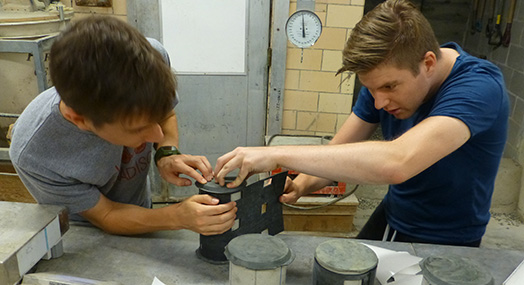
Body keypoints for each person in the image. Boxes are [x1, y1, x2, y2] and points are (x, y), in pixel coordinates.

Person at [214, 0, 509, 247]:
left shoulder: (478, 88)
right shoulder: (381, 85)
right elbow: (339, 151)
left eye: (390, 88)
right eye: (371, 89)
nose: (379, 103)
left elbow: (398, 162)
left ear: (428, 63)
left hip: (448, 236)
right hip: (394, 214)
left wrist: (275, 154)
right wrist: (302, 183)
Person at [10, 15, 237, 236]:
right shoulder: (36, 154)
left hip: (140, 209)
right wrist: (177, 216)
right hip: (90, 235)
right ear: (78, 119)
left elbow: (165, 116)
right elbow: (107, 215)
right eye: (138, 129)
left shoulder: (149, 59)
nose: (156, 134)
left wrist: (167, 152)